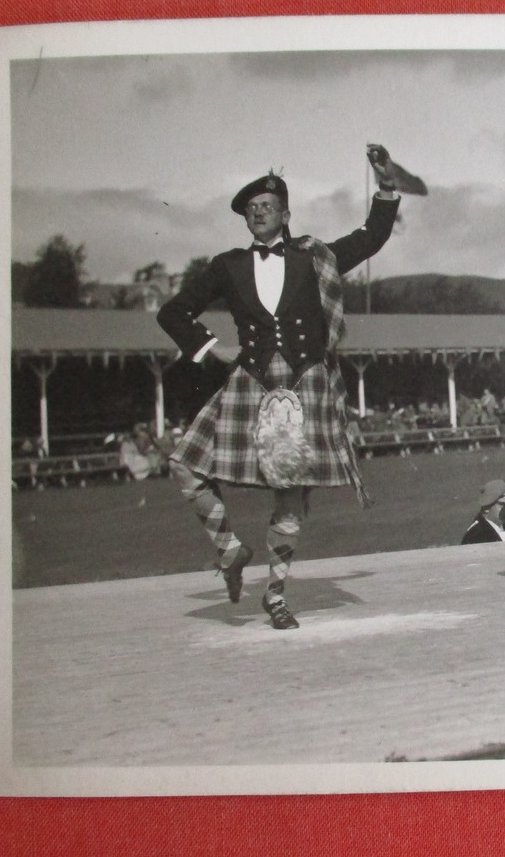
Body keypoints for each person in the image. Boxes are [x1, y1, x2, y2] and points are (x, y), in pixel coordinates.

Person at [157, 147, 402, 629]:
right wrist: (213, 349)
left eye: (266, 205)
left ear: (286, 215)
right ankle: (230, 550)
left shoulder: (315, 258)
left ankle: (275, 594)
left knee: (290, 495)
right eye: (250, 208)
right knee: (184, 467)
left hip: (305, 381)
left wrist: (387, 187)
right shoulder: (227, 266)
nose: (257, 211)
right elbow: (173, 313)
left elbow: (372, 236)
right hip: (249, 382)